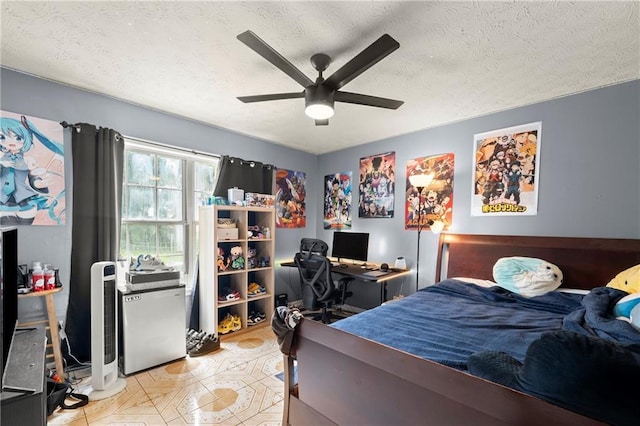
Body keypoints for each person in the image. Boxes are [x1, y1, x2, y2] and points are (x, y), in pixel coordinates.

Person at [0, 115, 64, 224]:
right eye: (2, 137)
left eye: (18, 138)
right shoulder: (1, 159)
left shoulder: (28, 160)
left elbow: (32, 176)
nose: (11, 142)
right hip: (2, 198)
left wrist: (38, 183)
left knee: (24, 225)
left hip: (23, 197)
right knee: (7, 226)